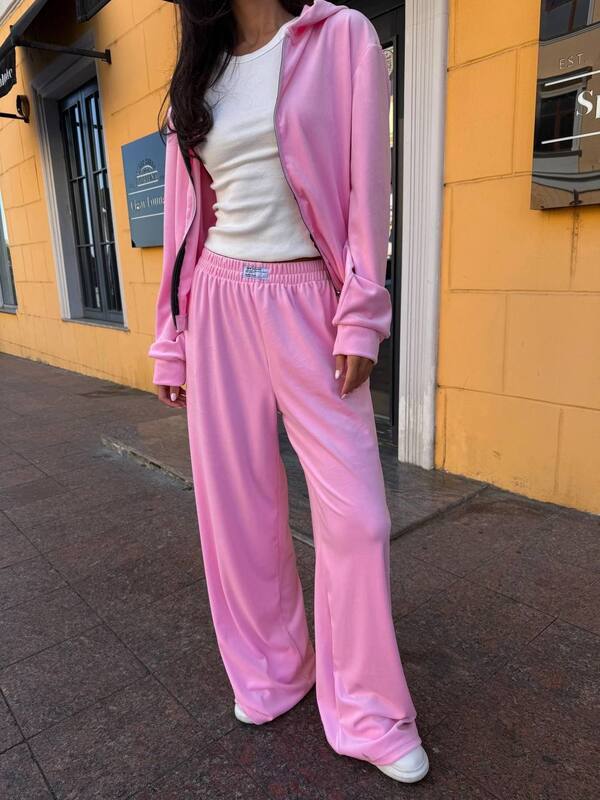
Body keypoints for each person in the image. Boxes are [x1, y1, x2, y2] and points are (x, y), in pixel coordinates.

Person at [149, 0, 429, 784]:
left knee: (359, 518)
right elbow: (181, 220)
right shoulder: (198, 70)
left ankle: (368, 711)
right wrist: (171, 337)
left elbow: (368, 190)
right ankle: (275, 670)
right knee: (237, 511)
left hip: (311, 301)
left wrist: (362, 315)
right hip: (218, 304)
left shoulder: (341, 38)